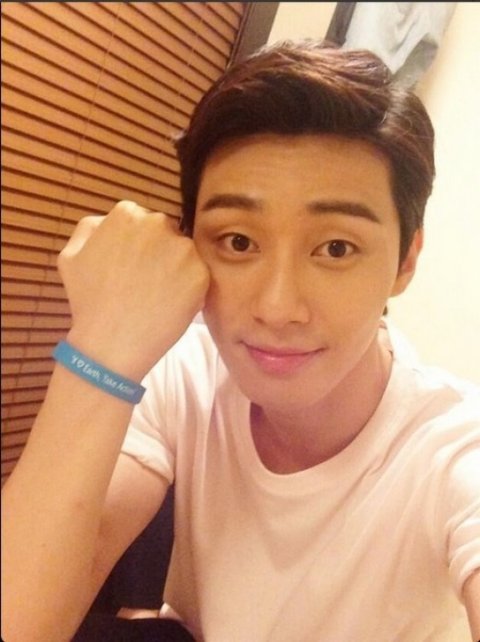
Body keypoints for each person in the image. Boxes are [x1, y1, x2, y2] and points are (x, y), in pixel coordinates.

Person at [2, 39, 479, 642]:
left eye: (335, 248)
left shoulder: (454, 448)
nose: (276, 308)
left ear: (406, 260)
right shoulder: (186, 373)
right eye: (238, 242)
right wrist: (99, 348)